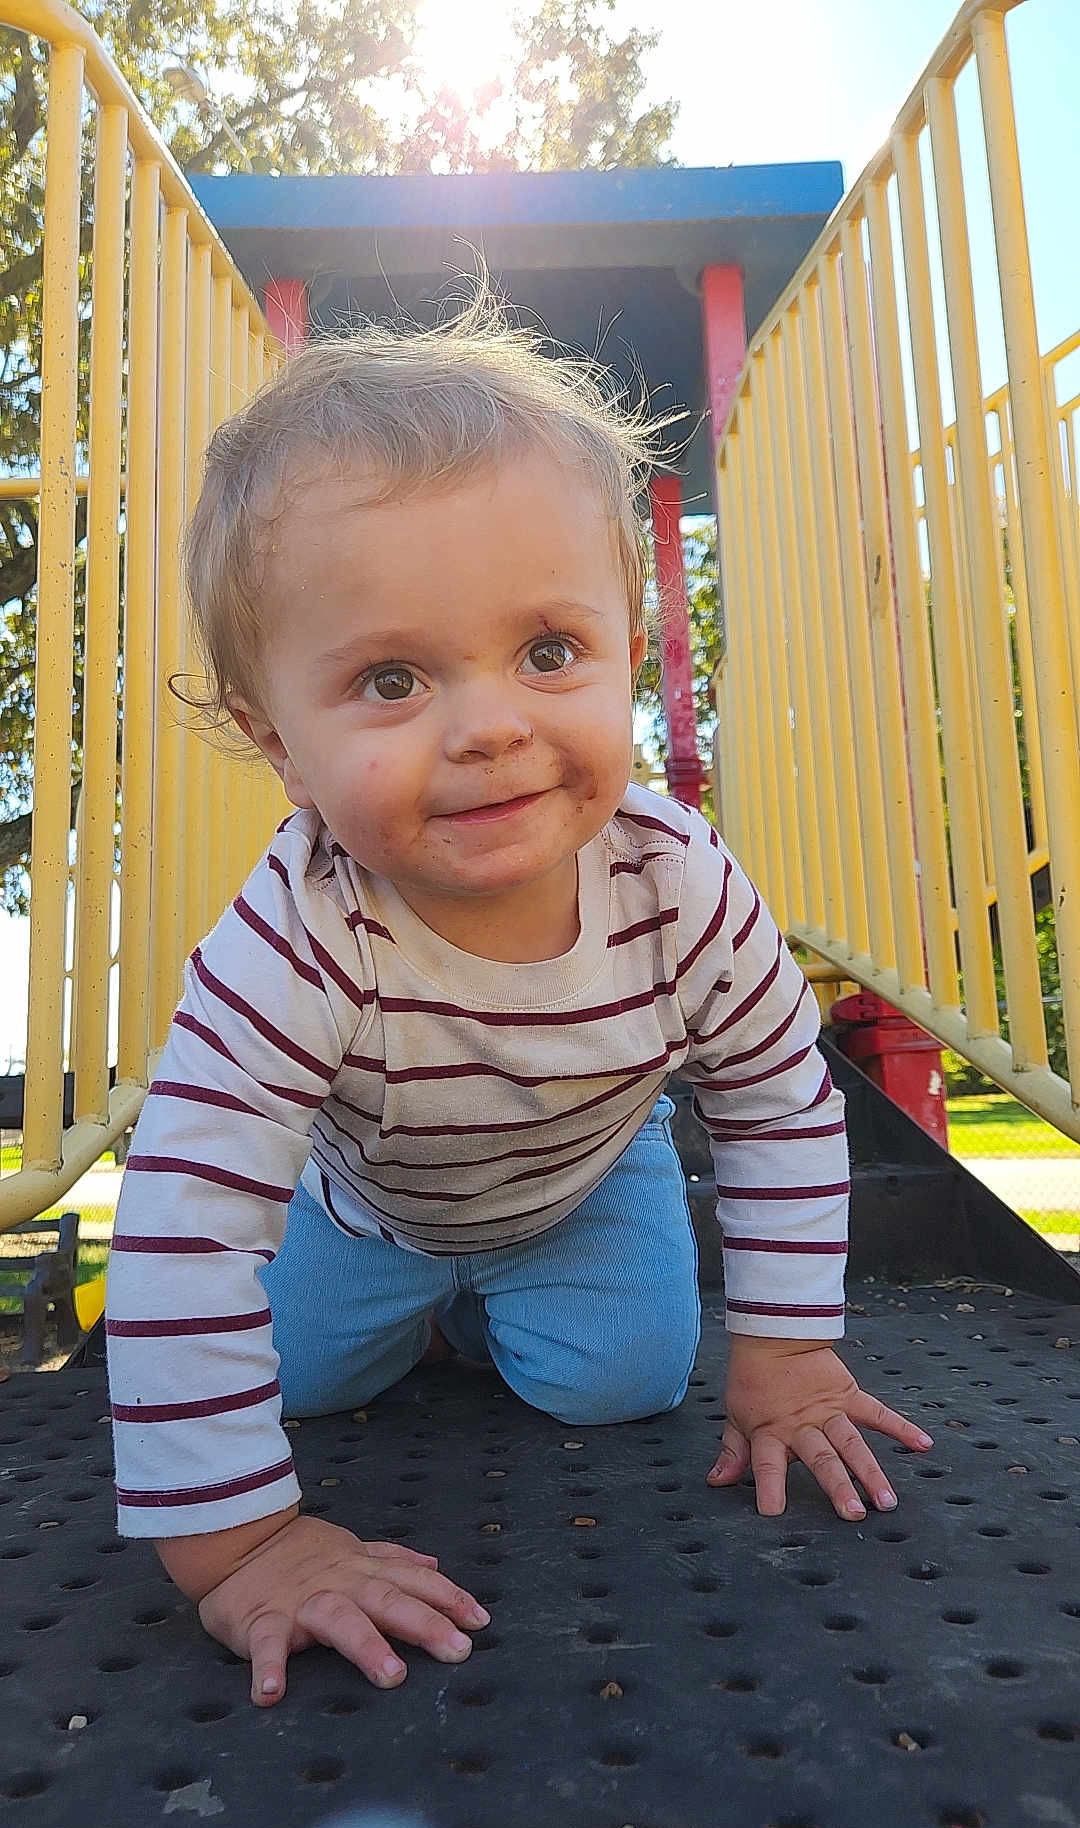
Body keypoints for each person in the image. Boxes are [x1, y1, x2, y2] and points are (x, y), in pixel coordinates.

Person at [104, 288, 934, 1709]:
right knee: (293, 1388)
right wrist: (241, 1546)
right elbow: (182, 1223)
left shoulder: (678, 883)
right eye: (390, 677)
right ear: (281, 747)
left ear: (627, 650)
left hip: (580, 1189)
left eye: (549, 652)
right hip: (365, 1206)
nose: (490, 725)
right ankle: (416, 1304)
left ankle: (493, 1311)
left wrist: (789, 1359)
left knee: (625, 1382)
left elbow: (779, 1103)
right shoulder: (297, 932)